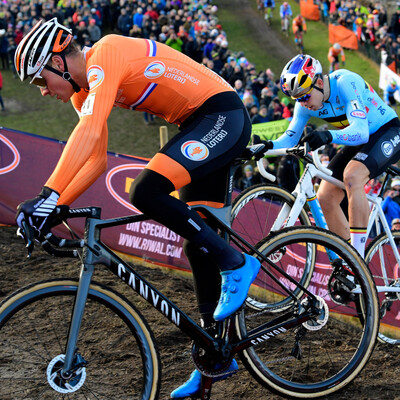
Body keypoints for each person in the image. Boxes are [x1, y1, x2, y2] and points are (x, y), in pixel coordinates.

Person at [13, 18, 261, 398]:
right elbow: (94, 159)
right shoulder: (85, 93)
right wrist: (59, 205)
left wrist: (48, 195)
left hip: (220, 115)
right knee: (199, 245)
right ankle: (214, 361)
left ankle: (238, 263)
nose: (43, 92)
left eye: (39, 79)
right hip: (196, 124)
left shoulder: (106, 53)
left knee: (146, 192)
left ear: (59, 61)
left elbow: (92, 132)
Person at [261, 54, 400, 259]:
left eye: (305, 96)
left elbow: (361, 130)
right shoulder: (305, 102)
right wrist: (265, 147)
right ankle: (348, 262)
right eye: (297, 99)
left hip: (387, 131)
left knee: (353, 176)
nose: (302, 103)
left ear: (318, 81)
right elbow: (289, 139)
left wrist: (327, 135)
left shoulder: (344, 82)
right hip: (361, 140)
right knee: (325, 197)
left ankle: (358, 258)